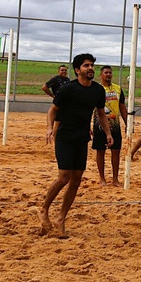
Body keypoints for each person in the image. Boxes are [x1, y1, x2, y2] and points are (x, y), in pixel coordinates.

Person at [40, 53, 112, 238]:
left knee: (77, 179)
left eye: (92, 65)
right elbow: (52, 110)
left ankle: (61, 219)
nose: (90, 68)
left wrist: (108, 133)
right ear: (78, 70)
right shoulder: (68, 89)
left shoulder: (97, 90)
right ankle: (44, 209)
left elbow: (101, 113)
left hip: (82, 138)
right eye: (86, 65)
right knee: (64, 177)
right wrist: (49, 129)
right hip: (65, 136)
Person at [92, 65, 127, 186]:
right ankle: (102, 178)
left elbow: (122, 107)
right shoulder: (95, 89)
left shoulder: (117, 89)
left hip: (115, 125)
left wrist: (128, 123)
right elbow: (88, 108)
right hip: (99, 125)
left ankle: (115, 179)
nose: (108, 75)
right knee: (100, 151)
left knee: (116, 151)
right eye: (106, 73)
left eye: (110, 73)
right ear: (100, 75)